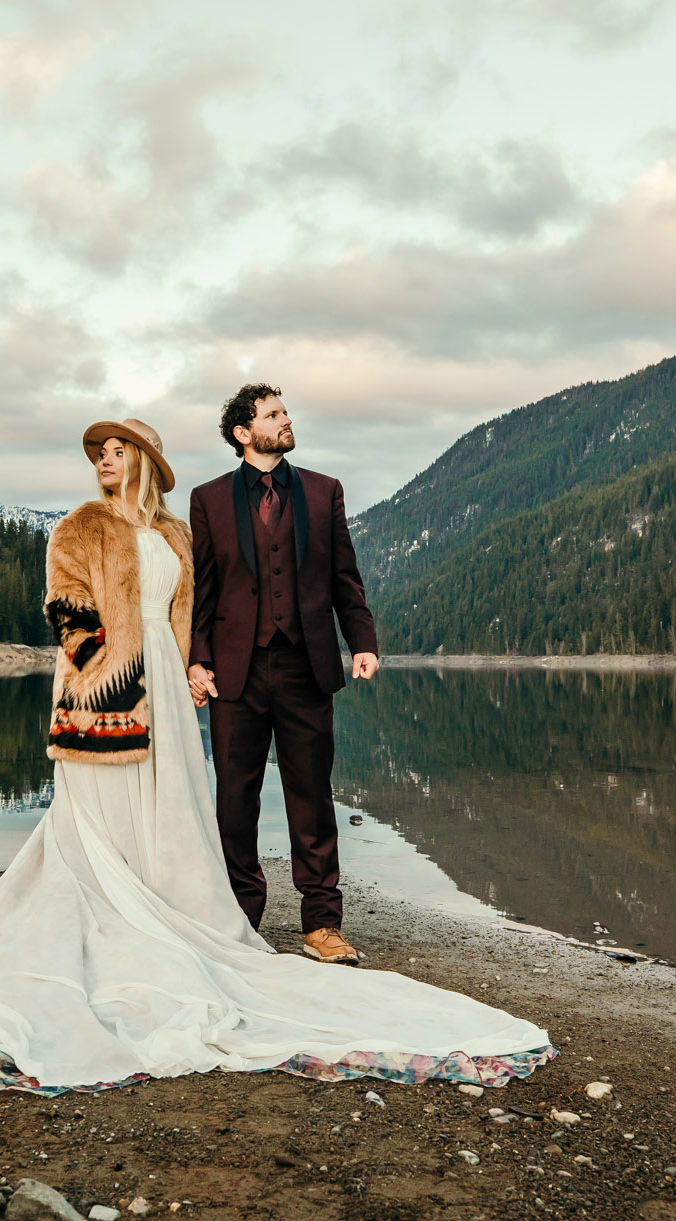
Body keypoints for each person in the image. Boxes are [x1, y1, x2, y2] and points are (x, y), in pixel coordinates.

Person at [0, 417, 551, 1096]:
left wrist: (194, 667)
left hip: (168, 678)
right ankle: (113, 909)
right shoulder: (79, 526)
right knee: (101, 814)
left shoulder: (173, 534)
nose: (103, 459)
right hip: (109, 686)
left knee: (172, 805)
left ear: (144, 463)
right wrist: (102, 674)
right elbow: (66, 609)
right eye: (98, 451)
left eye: (115, 450)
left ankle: (188, 909)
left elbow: (198, 610)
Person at [186, 384, 375, 964]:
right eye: (273, 415)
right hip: (234, 674)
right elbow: (203, 588)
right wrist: (197, 658)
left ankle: (321, 924)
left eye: (285, 412)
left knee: (312, 798)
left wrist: (361, 642)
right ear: (243, 433)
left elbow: (346, 576)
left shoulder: (323, 492)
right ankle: (241, 919)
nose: (286, 421)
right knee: (234, 803)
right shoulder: (208, 499)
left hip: (306, 666)